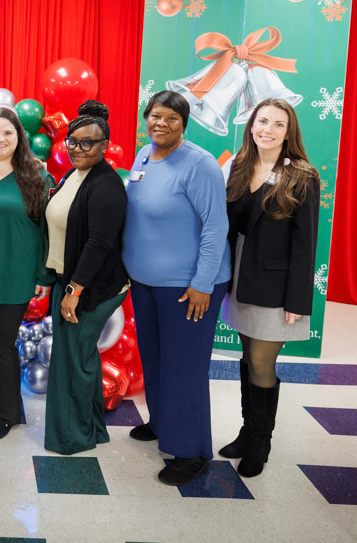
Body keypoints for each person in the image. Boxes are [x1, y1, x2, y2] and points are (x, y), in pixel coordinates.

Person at [122, 90, 231, 486]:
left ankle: (190, 451)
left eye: (171, 118)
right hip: (146, 282)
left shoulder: (199, 164)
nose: (160, 124)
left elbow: (216, 227)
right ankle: (164, 422)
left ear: (184, 122)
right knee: (154, 358)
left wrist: (202, 283)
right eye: (154, 116)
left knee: (184, 367)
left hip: (188, 286)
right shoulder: (144, 155)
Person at [219, 99, 320, 477]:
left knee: (262, 362)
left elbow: (305, 243)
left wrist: (297, 300)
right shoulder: (239, 166)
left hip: (276, 286)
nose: (268, 129)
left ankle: (261, 441)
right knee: (247, 358)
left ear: (288, 132)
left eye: (279, 124)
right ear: (251, 124)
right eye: (263, 121)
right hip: (241, 276)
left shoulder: (302, 175)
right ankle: (247, 432)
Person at [41, 101, 129, 455]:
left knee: (74, 361)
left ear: (105, 145)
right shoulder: (74, 174)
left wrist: (74, 290)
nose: (77, 149)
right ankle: (91, 427)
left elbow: (98, 244)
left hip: (91, 288)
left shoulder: (106, 185)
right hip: (71, 281)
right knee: (79, 356)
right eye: (72, 141)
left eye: (87, 143)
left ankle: (74, 438)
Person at [0, 107, 53, 441]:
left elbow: (48, 230)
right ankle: (0, 404)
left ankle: (5, 415)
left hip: (14, 272)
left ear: (19, 135)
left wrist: (42, 276)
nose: (0, 139)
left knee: (0, 346)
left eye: (7, 133)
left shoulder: (35, 175)